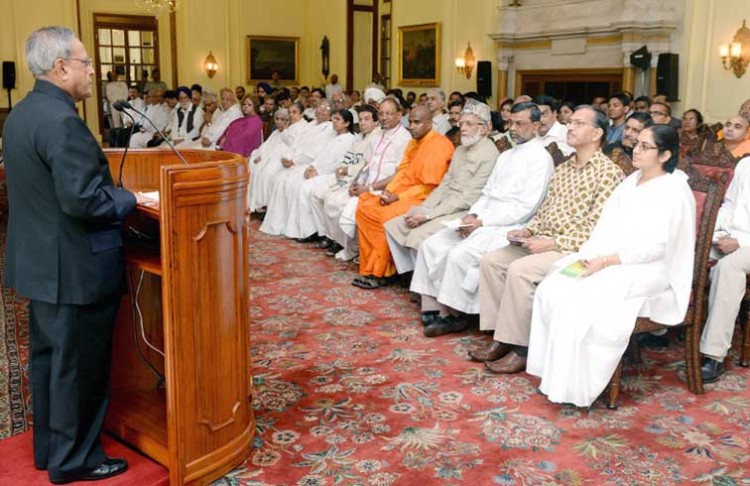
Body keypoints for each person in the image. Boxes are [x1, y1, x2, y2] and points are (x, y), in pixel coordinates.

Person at [2, 26, 146, 483]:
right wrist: (128, 199)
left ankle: (51, 449)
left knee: (50, 364)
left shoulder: (21, 114)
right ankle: (76, 460)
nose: (91, 72)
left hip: (41, 263)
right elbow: (84, 201)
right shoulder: (63, 121)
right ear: (61, 67)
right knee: (78, 369)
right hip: (76, 267)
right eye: (86, 64)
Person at [527, 125, 695, 407]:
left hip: (650, 269)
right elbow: (606, 228)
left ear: (665, 154)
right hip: (610, 258)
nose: (635, 150)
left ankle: (576, 386)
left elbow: (656, 248)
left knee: (582, 297)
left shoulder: (674, 190)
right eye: (636, 144)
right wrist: (591, 256)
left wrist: (606, 262)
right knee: (554, 285)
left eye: (645, 146)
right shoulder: (632, 181)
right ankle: (555, 375)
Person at [469, 105, 624, 373]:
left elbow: (597, 229)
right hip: (543, 240)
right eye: (571, 122)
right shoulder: (563, 169)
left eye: (578, 123)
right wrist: (528, 231)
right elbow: (544, 211)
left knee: (520, 270)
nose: (570, 127)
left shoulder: (608, 173)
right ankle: (501, 338)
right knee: (492, 261)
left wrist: (551, 244)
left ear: (597, 132)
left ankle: (522, 348)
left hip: (574, 249)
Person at [413, 102, 554, 336]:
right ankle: (432, 304)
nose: (513, 129)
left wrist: (483, 221)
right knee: (432, 244)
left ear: (537, 125)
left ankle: (455, 314)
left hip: (509, 224)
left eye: (520, 124)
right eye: (510, 123)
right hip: (483, 217)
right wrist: (472, 214)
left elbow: (527, 208)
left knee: (459, 255)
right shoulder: (506, 154)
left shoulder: (541, 159)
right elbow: (487, 192)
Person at [384, 99, 499, 275]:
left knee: (416, 235)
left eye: (469, 124)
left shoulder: (490, 154)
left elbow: (469, 197)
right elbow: (445, 182)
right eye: (461, 123)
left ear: (485, 128)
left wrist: (428, 215)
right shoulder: (461, 149)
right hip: (442, 204)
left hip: (463, 211)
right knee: (393, 226)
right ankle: (411, 273)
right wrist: (425, 208)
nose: (463, 128)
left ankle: (423, 280)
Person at [352, 106, 454, 289]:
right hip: (401, 194)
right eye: (411, 122)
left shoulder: (440, 144)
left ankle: (383, 271)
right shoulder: (413, 143)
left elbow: (429, 187)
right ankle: (369, 266)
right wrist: (389, 191)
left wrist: (398, 197)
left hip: (423, 198)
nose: (412, 127)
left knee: (383, 217)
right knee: (365, 207)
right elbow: (402, 172)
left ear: (429, 124)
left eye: (417, 122)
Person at [264, 109, 356, 239]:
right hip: (318, 169)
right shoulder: (333, 136)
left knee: (303, 188)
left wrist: (318, 171)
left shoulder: (350, 140)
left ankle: (312, 231)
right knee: (294, 183)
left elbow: (339, 163)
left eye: (337, 119)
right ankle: (301, 228)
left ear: (347, 123)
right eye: (333, 118)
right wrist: (312, 167)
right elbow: (321, 155)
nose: (334, 122)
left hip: (331, 174)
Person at [700, 153, 750, 382]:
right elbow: (729, 204)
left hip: (746, 242)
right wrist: (712, 230)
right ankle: (659, 327)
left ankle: (714, 354)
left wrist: (740, 242)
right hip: (731, 234)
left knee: (727, 268)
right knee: (689, 251)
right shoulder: (745, 163)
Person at [247, 107, 293, 211]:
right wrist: (259, 155)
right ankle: (252, 201)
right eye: (277, 119)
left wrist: (285, 129)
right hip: (266, 157)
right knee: (252, 166)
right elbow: (265, 146)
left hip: (278, 160)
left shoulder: (289, 133)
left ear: (287, 121)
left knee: (265, 172)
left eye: (283, 119)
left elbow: (288, 148)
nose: (279, 122)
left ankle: (263, 203)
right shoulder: (275, 132)